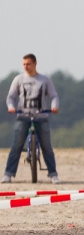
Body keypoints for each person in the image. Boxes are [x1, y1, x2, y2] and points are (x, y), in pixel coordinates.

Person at [3, 54, 61, 183]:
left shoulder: (44, 80)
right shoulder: (18, 79)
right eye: (24, 64)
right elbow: (10, 97)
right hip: (23, 116)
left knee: (47, 146)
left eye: (28, 64)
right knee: (16, 146)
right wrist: (11, 107)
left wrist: (54, 107)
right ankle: (8, 174)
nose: (26, 67)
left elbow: (54, 96)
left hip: (41, 116)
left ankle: (53, 174)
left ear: (35, 64)